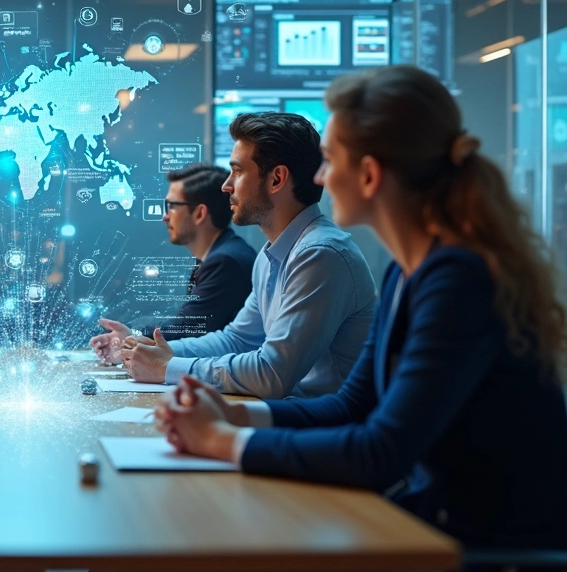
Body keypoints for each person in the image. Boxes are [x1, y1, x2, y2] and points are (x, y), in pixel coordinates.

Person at [157, 65, 567, 572]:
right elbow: (351, 406)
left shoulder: (457, 280)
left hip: (493, 557)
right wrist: (235, 419)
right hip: (432, 528)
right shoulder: (411, 274)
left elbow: (380, 451)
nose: (319, 177)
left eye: (331, 161)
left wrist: (222, 441)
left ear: (370, 174)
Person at [121, 112, 376, 399]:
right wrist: (153, 352)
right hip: (293, 416)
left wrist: (168, 367)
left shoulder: (320, 254)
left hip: (327, 429)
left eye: (238, 171)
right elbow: (239, 339)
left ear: (277, 179)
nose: (226, 185)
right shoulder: (272, 256)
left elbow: (273, 373)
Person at [90, 163, 255, 354]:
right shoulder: (220, 254)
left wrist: (131, 334)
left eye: (172, 206)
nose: (165, 217)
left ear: (200, 213)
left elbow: (190, 328)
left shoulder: (226, 261)